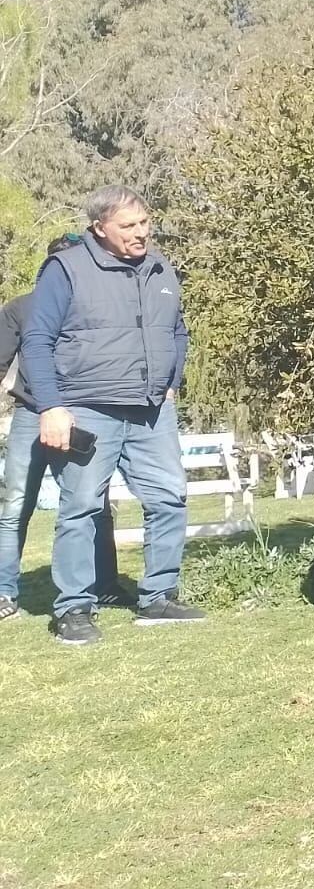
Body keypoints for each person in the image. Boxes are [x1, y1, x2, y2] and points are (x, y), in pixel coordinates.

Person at [21, 187, 203, 645]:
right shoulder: (66, 269)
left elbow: (176, 328)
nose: (140, 233)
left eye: (144, 223)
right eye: (128, 226)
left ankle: (158, 596)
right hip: (86, 406)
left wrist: (173, 377)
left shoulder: (161, 266)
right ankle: (74, 609)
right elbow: (37, 341)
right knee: (80, 508)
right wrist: (52, 407)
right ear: (100, 227)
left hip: (150, 410)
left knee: (170, 498)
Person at [0, 234, 125, 622]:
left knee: (88, 504)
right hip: (32, 413)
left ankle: (102, 585)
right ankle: (6, 590)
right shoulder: (22, 307)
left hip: (82, 413)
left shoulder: (94, 303)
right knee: (21, 505)